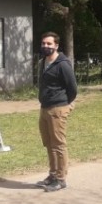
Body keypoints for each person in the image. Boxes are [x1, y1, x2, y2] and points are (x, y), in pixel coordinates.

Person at [35, 32, 77, 192]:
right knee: (49, 143)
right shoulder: (43, 62)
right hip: (44, 108)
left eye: (49, 44)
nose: (45, 46)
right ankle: (52, 175)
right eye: (43, 43)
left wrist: (66, 104)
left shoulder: (62, 64)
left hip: (58, 109)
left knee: (58, 145)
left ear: (56, 46)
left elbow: (72, 88)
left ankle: (61, 179)